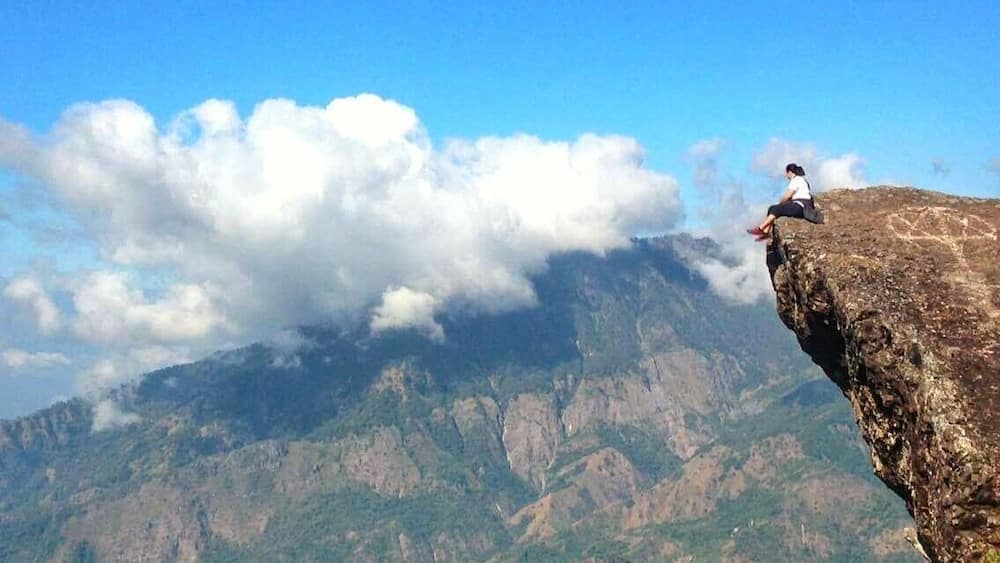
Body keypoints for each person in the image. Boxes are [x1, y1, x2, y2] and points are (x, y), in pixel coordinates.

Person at [747, 163, 813, 241]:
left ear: (790, 172)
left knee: (776, 208)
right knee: (772, 208)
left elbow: (787, 196)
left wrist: (780, 203)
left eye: (786, 173)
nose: (786, 175)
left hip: (800, 206)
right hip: (802, 206)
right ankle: (766, 231)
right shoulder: (802, 180)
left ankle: (760, 228)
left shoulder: (796, 180)